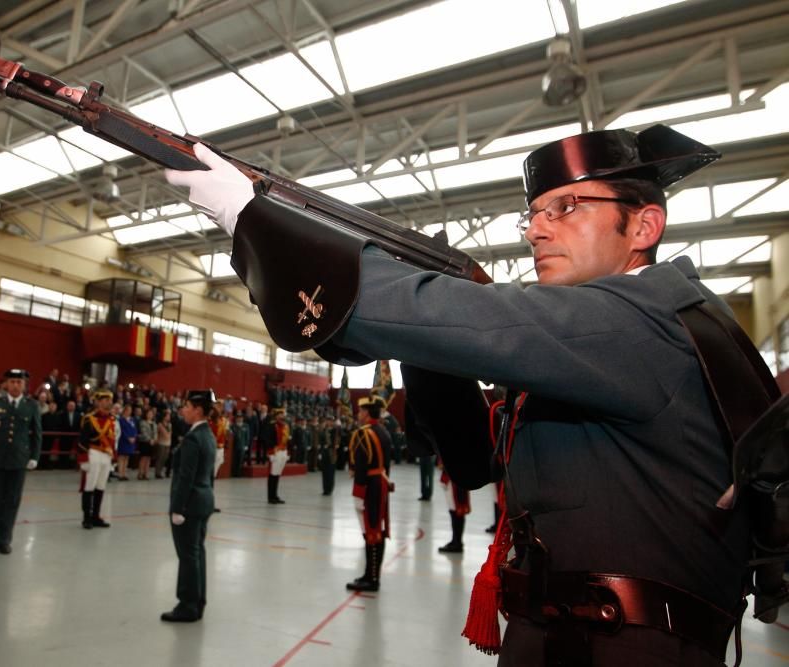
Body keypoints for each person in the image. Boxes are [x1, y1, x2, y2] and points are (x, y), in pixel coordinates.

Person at [165, 125, 750, 664]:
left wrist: (250, 216)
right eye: (534, 213)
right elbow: (476, 459)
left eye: (566, 207)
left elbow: (447, 315)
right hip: (576, 638)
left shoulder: (640, 319)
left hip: (623, 650)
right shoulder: (603, 345)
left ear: (644, 227)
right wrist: (429, 342)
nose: (535, 229)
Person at [161, 389, 216, 623]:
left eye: (187, 406)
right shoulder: (208, 435)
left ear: (198, 410)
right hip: (204, 500)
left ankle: (187, 605)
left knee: (188, 556)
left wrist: (177, 508)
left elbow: (186, 477)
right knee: (197, 553)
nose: (183, 410)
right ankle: (198, 600)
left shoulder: (194, 438)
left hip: (190, 504)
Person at [0, 369, 41, 555]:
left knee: (12, 501)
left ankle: (5, 540)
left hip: (18, 461)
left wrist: (34, 457)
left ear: (24, 385)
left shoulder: (31, 406)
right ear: (6, 384)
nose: (15, 385)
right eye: (12, 382)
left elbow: (37, 434)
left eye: (19, 382)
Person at [346, 395, 392, 592]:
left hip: (369, 487)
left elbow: (361, 467)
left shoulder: (363, 434)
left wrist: (358, 493)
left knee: (370, 532)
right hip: (381, 483)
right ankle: (371, 574)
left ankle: (371, 579)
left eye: (361, 411)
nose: (359, 414)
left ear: (366, 413)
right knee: (377, 530)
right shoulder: (383, 431)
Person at [77, 389, 115, 529]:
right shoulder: (89, 418)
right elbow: (82, 440)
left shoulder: (111, 419)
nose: (108, 403)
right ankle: (86, 518)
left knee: (101, 486)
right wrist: (84, 460)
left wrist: (113, 458)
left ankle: (96, 516)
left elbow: (112, 440)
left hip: (106, 455)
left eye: (109, 400)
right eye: (105, 400)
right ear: (98, 402)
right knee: (90, 486)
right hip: (93, 454)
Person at [437, 465, 470, 554]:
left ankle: (457, 543)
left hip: (454, 476)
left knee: (456, 510)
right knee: (454, 510)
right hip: (456, 475)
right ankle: (456, 540)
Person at [267, 407, 290, 504]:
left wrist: (288, 452)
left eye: (282, 415)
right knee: (273, 474)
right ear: (276, 417)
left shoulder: (286, 426)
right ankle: (271, 496)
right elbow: (268, 440)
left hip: (283, 452)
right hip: (275, 452)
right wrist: (271, 453)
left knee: (278, 474)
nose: (282, 416)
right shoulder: (272, 426)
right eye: (279, 415)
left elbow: (288, 440)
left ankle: (275, 495)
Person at [318, 415, 337, 495]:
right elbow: (321, 441)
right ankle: (325, 489)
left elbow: (337, 442)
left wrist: (330, 445)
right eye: (328, 420)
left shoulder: (335, 431)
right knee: (324, 472)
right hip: (324, 453)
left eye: (331, 421)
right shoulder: (323, 430)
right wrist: (320, 451)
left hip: (332, 453)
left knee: (330, 472)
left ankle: (330, 488)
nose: (329, 422)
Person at [230, 411, 250, 478]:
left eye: (240, 418)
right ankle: (233, 473)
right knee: (234, 460)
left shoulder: (246, 426)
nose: (239, 419)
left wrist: (246, 445)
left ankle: (238, 473)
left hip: (242, 446)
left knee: (240, 460)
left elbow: (247, 436)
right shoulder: (233, 426)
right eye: (238, 418)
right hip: (234, 446)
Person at [154, 408, 173, 479]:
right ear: (164, 416)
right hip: (161, 442)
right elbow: (164, 433)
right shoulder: (160, 424)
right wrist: (168, 433)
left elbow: (170, 433)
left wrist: (168, 434)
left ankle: (160, 471)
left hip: (168, 443)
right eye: (167, 416)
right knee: (160, 458)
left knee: (165, 458)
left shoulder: (170, 424)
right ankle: (157, 472)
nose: (169, 417)